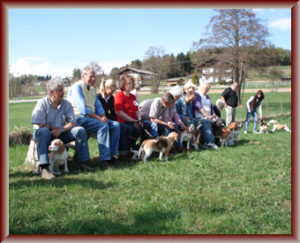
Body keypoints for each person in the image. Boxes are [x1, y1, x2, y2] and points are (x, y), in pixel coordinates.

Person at [31, 78, 93, 180]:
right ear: (52, 92)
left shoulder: (66, 104)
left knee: (80, 130)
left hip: (60, 133)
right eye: (60, 90)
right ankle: (44, 168)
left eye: (63, 90)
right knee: (43, 131)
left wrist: (61, 130)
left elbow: (72, 122)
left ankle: (81, 162)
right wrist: (52, 128)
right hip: (44, 134)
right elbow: (41, 124)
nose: (62, 93)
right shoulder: (42, 103)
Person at [67, 66, 120, 170]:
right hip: (78, 118)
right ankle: (104, 161)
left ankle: (111, 156)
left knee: (116, 125)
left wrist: (103, 115)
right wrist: (99, 119)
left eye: (94, 77)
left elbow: (98, 105)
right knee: (102, 126)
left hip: (90, 118)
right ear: (83, 76)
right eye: (91, 76)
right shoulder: (77, 87)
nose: (93, 79)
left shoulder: (92, 89)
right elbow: (82, 109)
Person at [114, 74, 150, 151]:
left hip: (134, 121)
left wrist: (139, 120)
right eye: (129, 83)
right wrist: (133, 120)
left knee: (146, 125)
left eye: (132, 83)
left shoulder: (133, 96)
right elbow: (119, 112)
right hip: (124, 121)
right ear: (123, 84)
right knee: (136, 129)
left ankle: (142, 148)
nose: (131, 85)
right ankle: (129, 148)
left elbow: (137, 110)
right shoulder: (119, 95)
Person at [97, 79, 131, 158]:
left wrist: (117, 121)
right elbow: (98, 111)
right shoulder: (98, 97)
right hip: (99, 119)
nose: (113, 92)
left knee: (125, 127)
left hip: (107, 119)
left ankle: (123, 151)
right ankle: (112, 154)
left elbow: (113, 112)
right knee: (117, 126)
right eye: (113, 89)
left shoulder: (111, 98)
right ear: (107, 87)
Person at [193, 82, 218, 149]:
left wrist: (213, 113)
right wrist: (207, 115)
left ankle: (221, 139)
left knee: (220, 121)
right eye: (206, 89)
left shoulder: (207, 96)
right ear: (201, 88)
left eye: (208, 89)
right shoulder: (197, 95)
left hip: (209, 116)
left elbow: (211, 106)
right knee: (205, 121)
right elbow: (198, 107)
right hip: (199, 116)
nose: (207, 90)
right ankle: (209, 142)